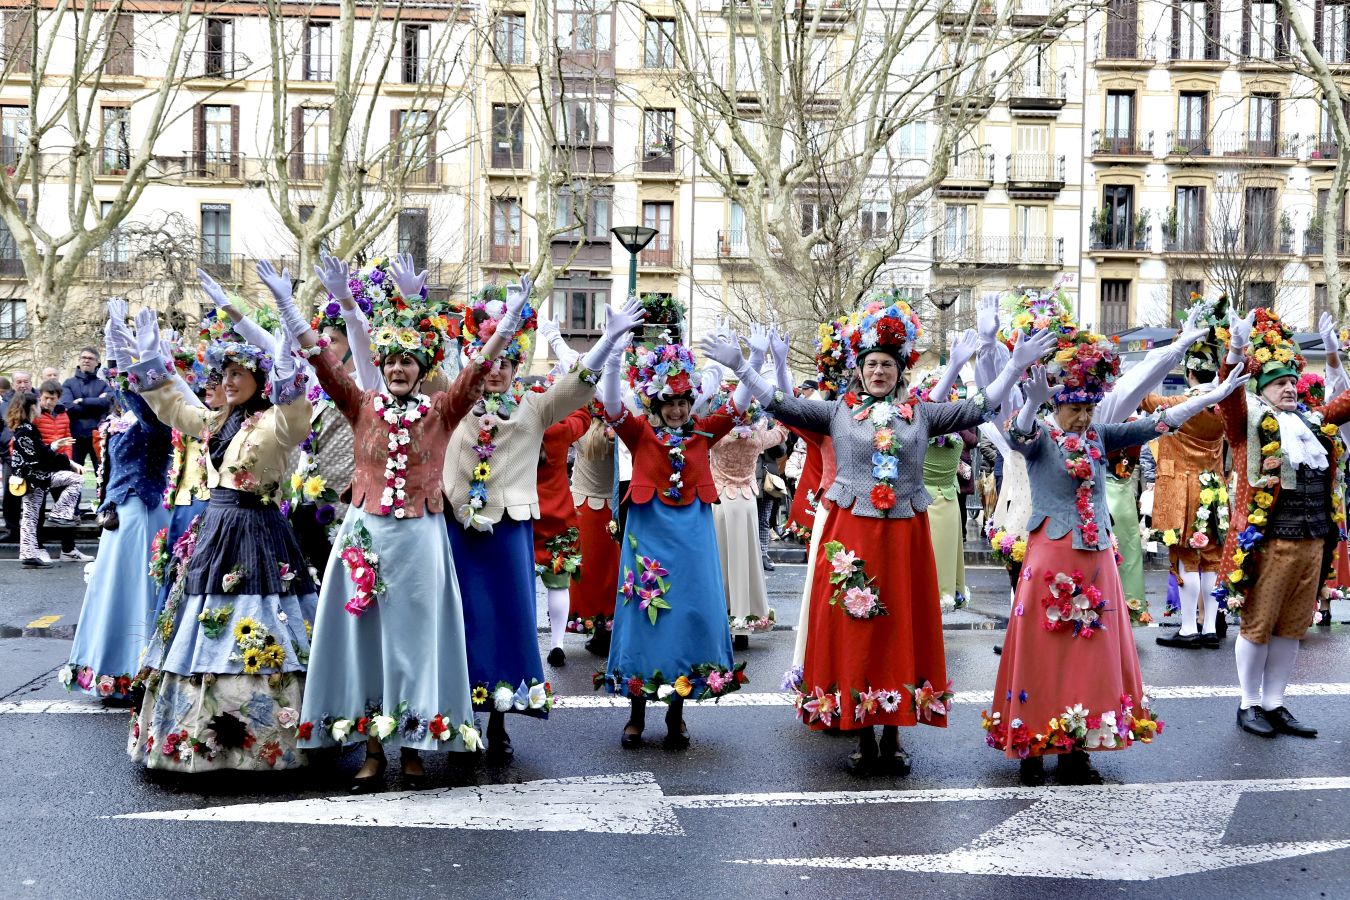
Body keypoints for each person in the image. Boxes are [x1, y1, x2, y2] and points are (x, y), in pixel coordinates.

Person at [705, 293, 1054, 775]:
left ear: (899, 370)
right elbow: (778, 403)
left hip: (905, 539)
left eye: (887, 365)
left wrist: (1012, 365)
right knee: (856, 630)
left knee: (900, 630)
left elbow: (980, 406)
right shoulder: (835, 413)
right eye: (870, 364)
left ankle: (894, 733)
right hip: (851, 538)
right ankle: (861, 733)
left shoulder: (922, 415)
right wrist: (744, 368)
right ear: (860, 370)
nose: (878, 372)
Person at [263, 253, 512, 792]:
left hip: (421, 537)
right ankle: (373, 749)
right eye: (390, 361)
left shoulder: (442, 411)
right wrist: (288, 307)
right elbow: (323, 364)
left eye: (407, 362)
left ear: (421, 371)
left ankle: (418, 744)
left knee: (418, 640)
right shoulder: (361, 405)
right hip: (365, 533)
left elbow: (473, 376)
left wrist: (506, 326)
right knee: (367, 640)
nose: (398, 369)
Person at [984, 325, 1246, 786]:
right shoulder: (1041, 438)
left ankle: (1077, 748)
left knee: (1090, 655)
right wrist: (1031, 399)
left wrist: (1210, 399)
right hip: (1050, 555)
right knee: (1043, 653)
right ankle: (1032, 746)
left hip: (1096, 556)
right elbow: (1018, 433)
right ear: (1057, 407)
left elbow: (1158, 424)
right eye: (1073, 409)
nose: (1083, 417)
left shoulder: (1101, 437)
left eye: (1087, 408)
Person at [442, 282, 644, 764]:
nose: (496, 374)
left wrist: (607, 342)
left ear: (516, 370)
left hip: (509, 532)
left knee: (509, 624)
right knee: (458, 627)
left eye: (506, 366)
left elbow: (576, 384)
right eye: (488, 366)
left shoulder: (533, 406)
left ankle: (498, 723)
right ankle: (457, 724)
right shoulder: (454, 404)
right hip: (458, 531)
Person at [124, 303, 316, 773]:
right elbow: (173, 407)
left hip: (259, 528)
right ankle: (198, 734)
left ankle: (274, 737)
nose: (228, 382)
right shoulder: (216, 421)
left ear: (259, 378)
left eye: (239, 373)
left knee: (266, 616)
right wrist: (149, 358)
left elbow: (297, 414)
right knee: (200, 617)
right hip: (215, 527)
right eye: (223, 374)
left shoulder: (277, 422)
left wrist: (289, 364)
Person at [598, 327, 746, 752]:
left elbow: (740, 405)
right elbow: (610, 405)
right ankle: (636, 712)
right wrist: (612, 353)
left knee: (685, 616)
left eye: (683, 402)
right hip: (648, 532)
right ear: (656, 403)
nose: (679, 410)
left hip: (693, 536)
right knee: (646, 618)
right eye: (670, 403)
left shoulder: (703, 432)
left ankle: (677, 713)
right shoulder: (640, 431)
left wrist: (740, 364)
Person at [1214, 308, 1350, 741]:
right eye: (1279, 382)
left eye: (1292, 380)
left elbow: (1346, 401)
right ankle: (1248, 703)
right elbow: (1228, 397)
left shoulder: (1314, 422)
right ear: (1260, 388)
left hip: (1314, 540)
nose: (1289, 387)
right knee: (1257, 624)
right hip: (1269, 541)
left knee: (1294, 625)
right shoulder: (1247, 423)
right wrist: (1236, 351)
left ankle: (1275, 702)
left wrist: (1332, 353)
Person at [58, 308, 172, 703]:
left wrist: (120, 352)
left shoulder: (155, 420)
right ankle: (111, 669)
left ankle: (139, 670)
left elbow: (134, 396)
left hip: (144, 514)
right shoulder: (120, 421)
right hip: (119, 516)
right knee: (114, 592)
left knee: (138, 589)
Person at [1146, 295, 1232, 649]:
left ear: (1191, 373)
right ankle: (1209, 627)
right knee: (1210, 556)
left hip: (1180, 487)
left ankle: (1187, 629)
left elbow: (1142, 392)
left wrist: (1174, 346)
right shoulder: (1224, 408)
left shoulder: (1178, 405)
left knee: (1184, 555)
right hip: (1213, 486)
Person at [711, 390, 788, 648]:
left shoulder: (718, 438)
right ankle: (744, 624)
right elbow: (783, 432)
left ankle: (718, 619)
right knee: (745, 561)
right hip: (746, 503)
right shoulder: (756, 437)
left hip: (720, 501)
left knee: (720, 561)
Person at [7, 392, 83, 568]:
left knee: (30, 517)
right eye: (39, 404)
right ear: (33, 407)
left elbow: (40, 451)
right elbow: (43, 457)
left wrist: (57, 447)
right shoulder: (26, 430)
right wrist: (68, 463)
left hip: (28, 479)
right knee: (75, 479)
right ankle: (59, 514)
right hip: (36, 478)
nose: (42, 406)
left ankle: (28, 555)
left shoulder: (24, 428)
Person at [60, 346, 111, 473]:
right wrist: (97, 404)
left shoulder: (104, 383)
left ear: (97, 362)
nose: (86, 361)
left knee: (102, 473)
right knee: (73, 474)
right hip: (75, 436)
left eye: (90, 358)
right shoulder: (68, 383)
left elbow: (108, 403)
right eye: (83, 358)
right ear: (79, 360)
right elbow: (68, 407)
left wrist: (83, 401)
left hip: (99, 435)